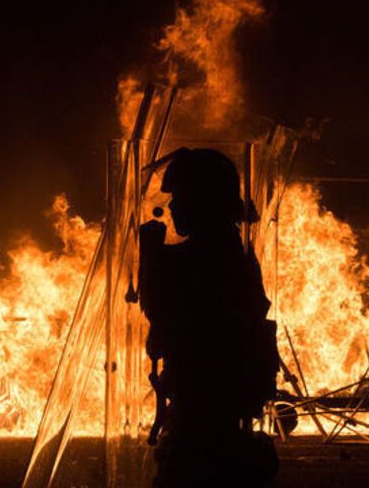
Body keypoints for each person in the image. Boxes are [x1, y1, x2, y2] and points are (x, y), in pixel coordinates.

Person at [138, 148, 278, 487]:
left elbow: (163, 308)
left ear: (203, 201)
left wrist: (152, 256)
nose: (171, 207)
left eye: (180, 197)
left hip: (207, 399)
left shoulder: (214, 255)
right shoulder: (228, 249)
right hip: (213, 397)